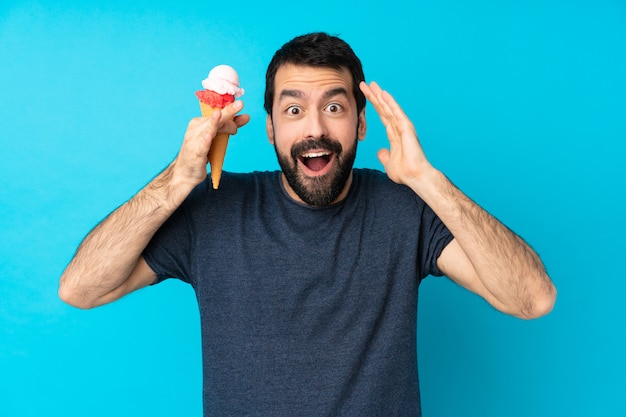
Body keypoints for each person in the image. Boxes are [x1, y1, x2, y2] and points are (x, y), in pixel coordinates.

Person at [59, 32, 556, 416]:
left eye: (334, 107)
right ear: (271, 127)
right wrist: (175, 180)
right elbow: (81, 289)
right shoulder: (212, 206)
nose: (315, 128)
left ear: (361, 123)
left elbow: (532, 299)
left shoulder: (405, 209)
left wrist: (429, 182)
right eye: (293, 109)